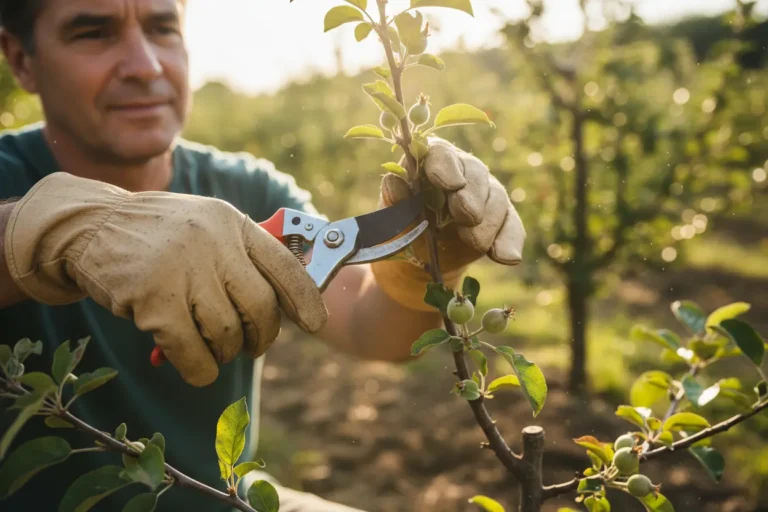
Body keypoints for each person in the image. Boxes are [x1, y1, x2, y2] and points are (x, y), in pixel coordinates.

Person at [0, 1, 526, 510]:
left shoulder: (247, 190)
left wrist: (428, 263)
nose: (146, 65)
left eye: (163, 28)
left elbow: (372, 328)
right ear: (22, 60)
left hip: (226, 499)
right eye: (93, 33)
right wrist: (46, 230)